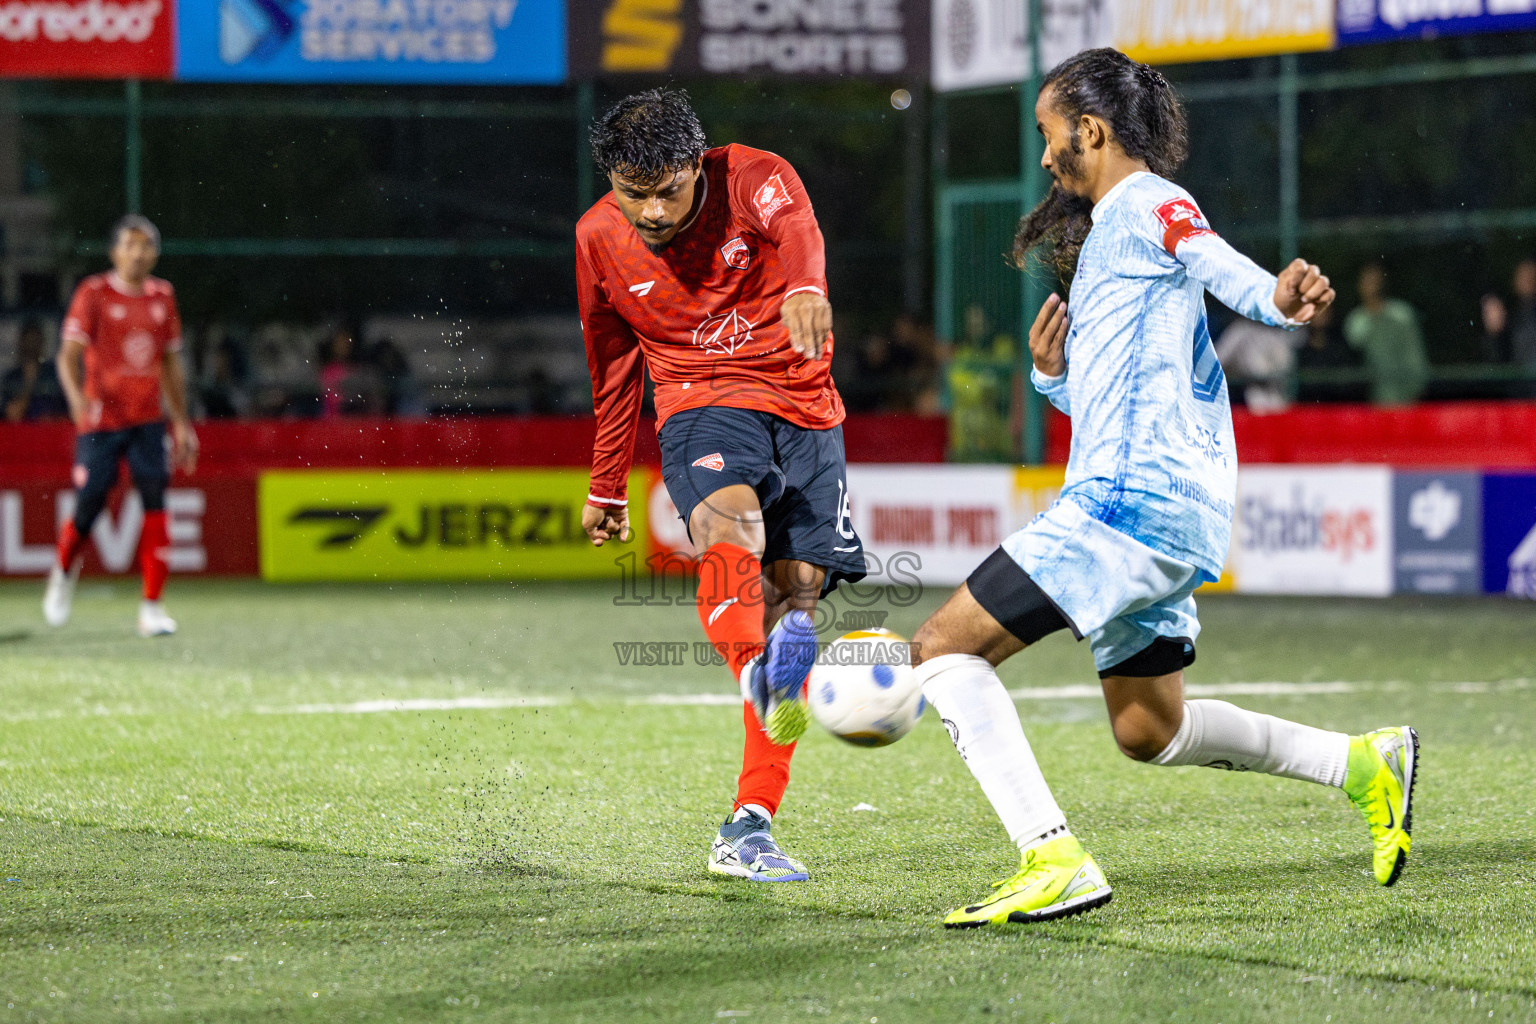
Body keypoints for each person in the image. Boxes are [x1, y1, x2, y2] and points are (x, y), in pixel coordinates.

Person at [905, 49, 1418, 928]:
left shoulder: (1144, 201)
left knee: (941, 648)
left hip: (1126, 504)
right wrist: (1051, 377)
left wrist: (1276, 299)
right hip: (1170, 510)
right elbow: (1135, 381)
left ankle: (1050, 856)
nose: (1043, 157)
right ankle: (1363, 764)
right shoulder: (1112, 231)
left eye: (1047, 133)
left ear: (1090, 130)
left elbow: (1210, 253)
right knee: (1151, 729)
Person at [576, 88, 864, 882]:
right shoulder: (598, 238)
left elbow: (797, 228)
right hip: (700, 402)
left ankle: (750, 825)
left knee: (796, 604)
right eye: (634, 193)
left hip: (805, 406)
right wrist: (606, 483)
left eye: (669, 188)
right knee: (729, 529)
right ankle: (756, 673)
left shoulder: (751, 177)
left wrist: (807, 285)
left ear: (695, 165)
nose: (654, 210)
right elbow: (610, 367)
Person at [45, 215, 198, 637]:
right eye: (131, 244)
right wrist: (76, 399)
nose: (139, 252)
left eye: (147, 245)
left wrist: (182, 423)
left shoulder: (163, 297)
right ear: (115, 251)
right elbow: (67, 355)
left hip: (148, 421)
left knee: (155, 498)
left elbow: (170, 364)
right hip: (101, 421)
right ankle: (62, 570)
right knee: (91, 501)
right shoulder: (93, 293)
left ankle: (152, 606)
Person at [1343, 262, 1428, 405]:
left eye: (1375, 281)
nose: (1371, 286)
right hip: (1370, 401)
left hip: (1407, 398)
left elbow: (1415, 355)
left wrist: (1416, 388)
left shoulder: (1402, 315)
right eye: (1366, 281)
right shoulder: (1355, 320)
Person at [2, 317, 68, 422]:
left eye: (35, 341)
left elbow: (68, 411)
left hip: (51, 431)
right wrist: (30, 381)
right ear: (20, 343)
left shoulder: (54, 373)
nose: (31, 346)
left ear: (42, 343)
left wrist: (52, 418)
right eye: (28, 341)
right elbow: (12, 414)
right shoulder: (12, 377)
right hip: (20, 432)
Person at [1509, 258, 1536, 392]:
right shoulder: (1510, 315)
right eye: (1522, 276)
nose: (1526, 280)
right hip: (1518, 392)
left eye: (1530, 276)